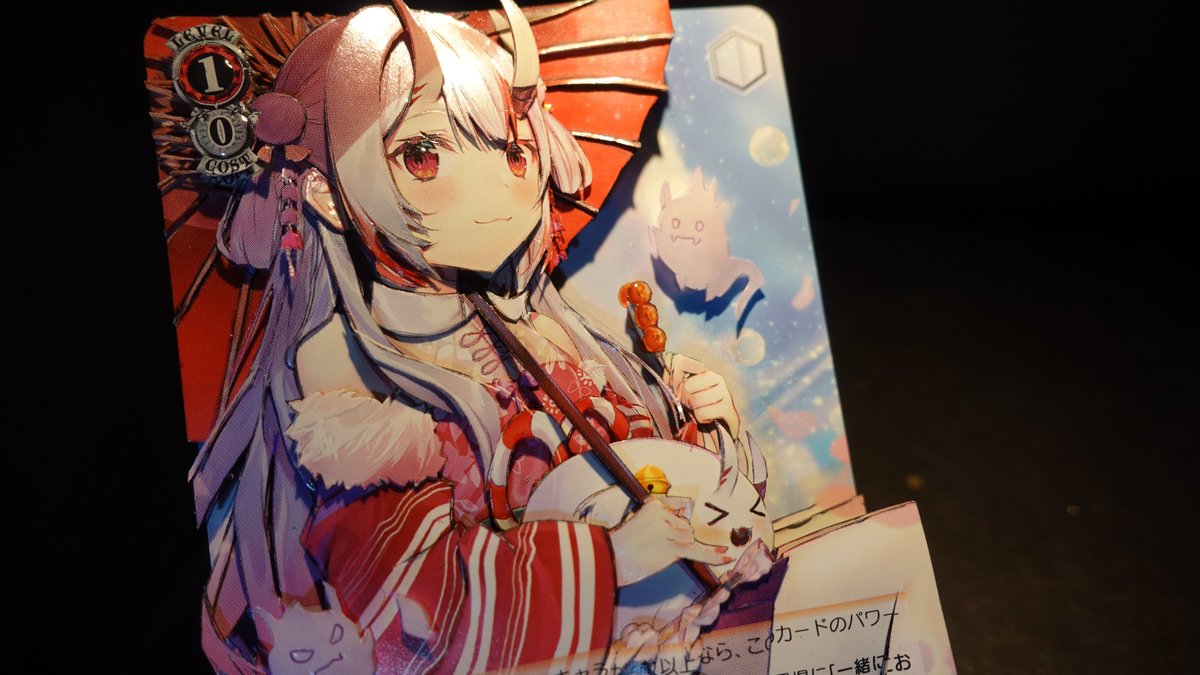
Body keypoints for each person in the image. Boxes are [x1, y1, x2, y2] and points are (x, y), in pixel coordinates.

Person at [192, 1, 762, 671]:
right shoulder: (344, 381)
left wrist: (711, 427)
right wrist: (611, 558)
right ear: (323, 196)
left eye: (513, 150)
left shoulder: (531, 323)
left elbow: (645, 468)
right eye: (423, 155)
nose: (500, 190)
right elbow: (412, 614)